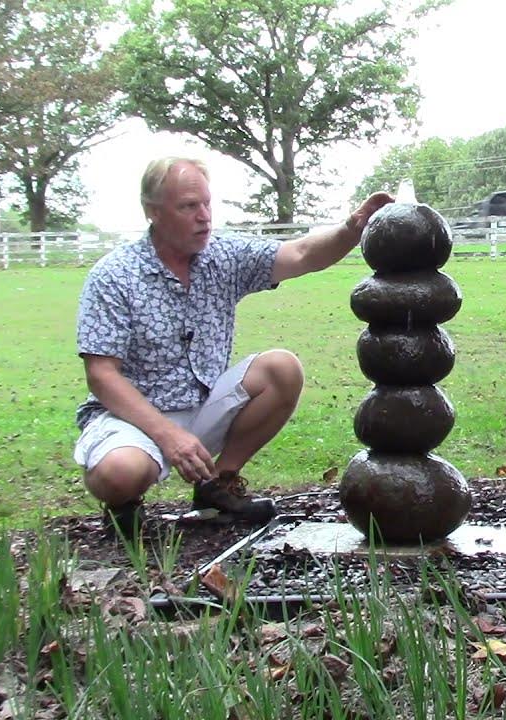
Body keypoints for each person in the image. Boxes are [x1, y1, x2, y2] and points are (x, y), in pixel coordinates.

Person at [73, 156, 394, 534]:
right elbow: (101, 375)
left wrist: (352, 228)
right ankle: (123, 507)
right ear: (153, 212)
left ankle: (218, 486)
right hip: (135, 419)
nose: (204, 216)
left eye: (207, 203)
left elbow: (302, 254)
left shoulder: (223, 257)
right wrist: (167, 435)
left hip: (201, 405)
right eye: (189, 206)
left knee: (281, 369)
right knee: (119, 474)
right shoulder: (114, 275)